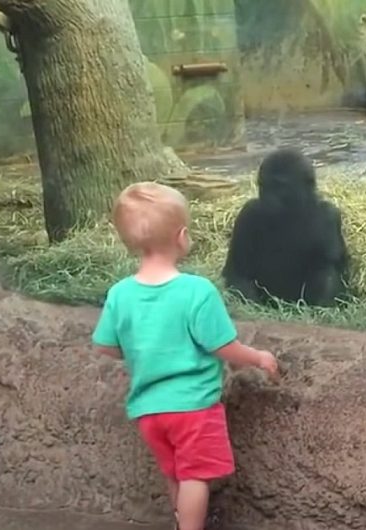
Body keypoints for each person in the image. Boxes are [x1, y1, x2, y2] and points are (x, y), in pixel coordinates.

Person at [91, 182, 279, 530]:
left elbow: (104, 346)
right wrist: (257, 357)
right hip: (192, 407)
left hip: (148, 410)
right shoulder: (197, 291)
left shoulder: (120, 294)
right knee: (195, 476)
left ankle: (181, 521)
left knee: (175, 472)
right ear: (182, 236)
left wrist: (138, 350)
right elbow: (222, 346)